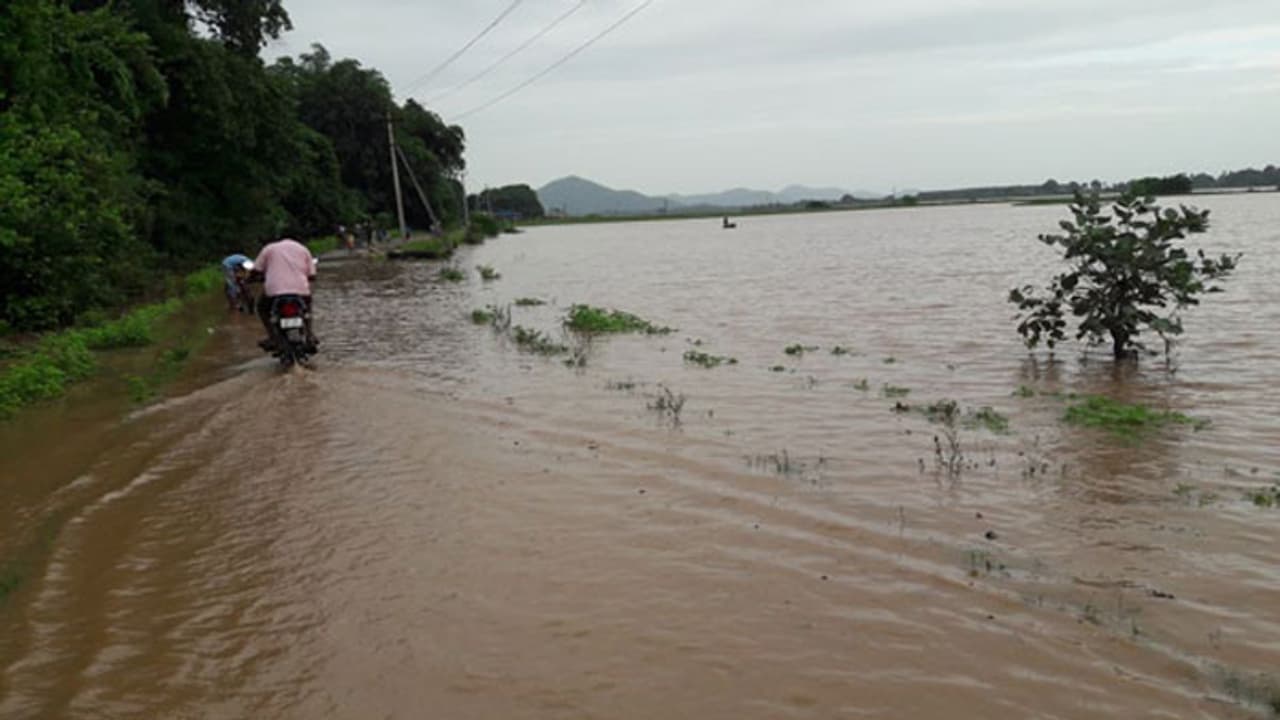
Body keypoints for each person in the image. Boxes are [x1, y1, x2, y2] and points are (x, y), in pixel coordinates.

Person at [251, 238, 318, 351]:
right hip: (300, 290)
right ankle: (309, 335)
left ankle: (273, 337)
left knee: (261, 308)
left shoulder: (269, 248)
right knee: (307, 309)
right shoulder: (303, 249)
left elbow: (256, 270)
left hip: (274, 291)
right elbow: (312, 275)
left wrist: (250, 279)